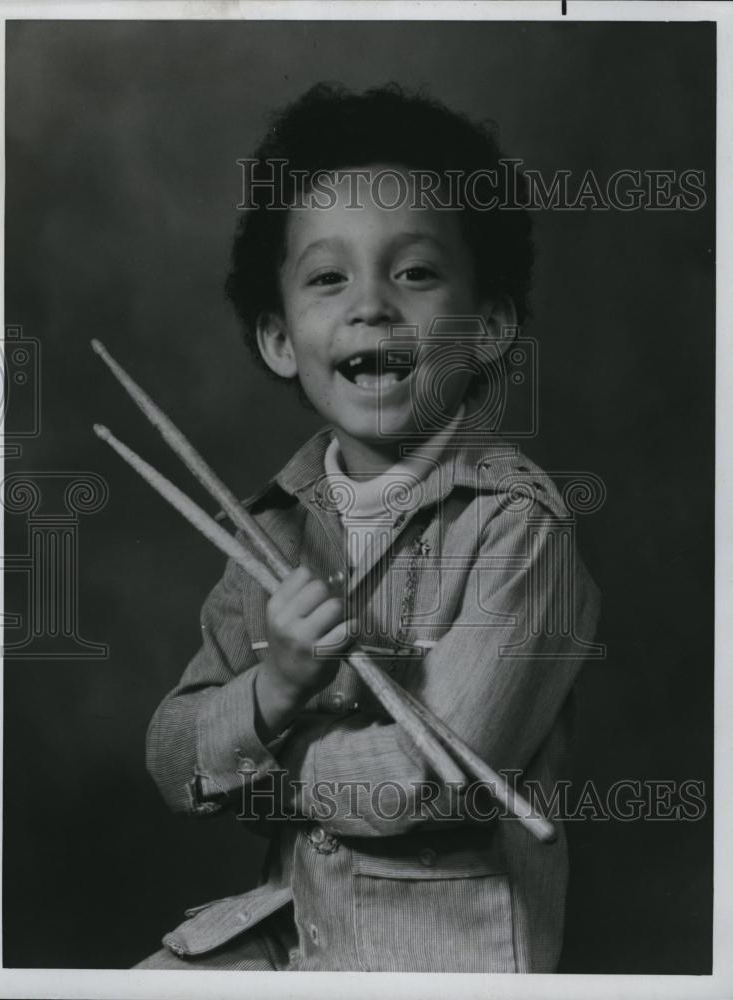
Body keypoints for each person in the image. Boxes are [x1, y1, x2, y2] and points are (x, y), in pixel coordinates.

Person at [135, 83, 600, 973]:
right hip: (294, 934)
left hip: (437, 961)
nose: (372, 305)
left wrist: (261, 759)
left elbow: (424, 784)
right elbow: (169, 753)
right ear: (278, 338)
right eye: (327, 277)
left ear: (492, 325)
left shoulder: (521, 527)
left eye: (416, 272)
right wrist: (272, 691)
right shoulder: (269, 526)